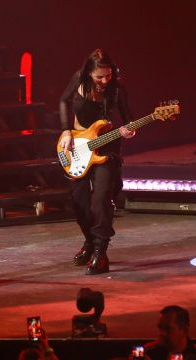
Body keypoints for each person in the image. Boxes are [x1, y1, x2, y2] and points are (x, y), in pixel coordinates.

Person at [58, 48, 135, 275]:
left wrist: (129, 129)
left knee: (100, 201)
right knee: (78, 202)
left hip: (106, 148)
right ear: (89, 72)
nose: (104, 80)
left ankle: (101, 253)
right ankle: (90, 242)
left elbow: (128, 117)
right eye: (99, 76)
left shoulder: (117, 88)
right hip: (79, 146)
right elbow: (63, 101)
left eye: (108, 75)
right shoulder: (78, 79)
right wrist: (66, 131)